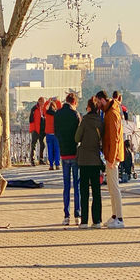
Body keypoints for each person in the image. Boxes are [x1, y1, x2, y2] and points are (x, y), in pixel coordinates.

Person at [97, 90, 125, 228]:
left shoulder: (112, 113)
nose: (97, 105)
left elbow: (115, 138)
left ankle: (119, 218)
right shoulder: (109, 112)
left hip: (113, 156)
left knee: (114, 187)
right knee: (111, 187)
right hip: (110, 155)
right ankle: (115, 216)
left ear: (102, 100)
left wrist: (112, 158)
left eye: (98, 102)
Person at [75, 98, 104, 228]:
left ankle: (84, 221)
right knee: (96, 192)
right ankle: (97, 220)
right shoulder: (100, 121)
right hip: (95, 159)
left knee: (84, 191)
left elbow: (77, 138)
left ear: (88, 108)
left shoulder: (85, 121)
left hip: (84, 160)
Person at [54, 92, 81, 226]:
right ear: (74, 102)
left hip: (64, 153)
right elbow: (79, 133)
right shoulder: (75, 115)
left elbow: (56, 131)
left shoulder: (58, 114)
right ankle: (77, 214)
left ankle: (66, 215)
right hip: (74, 153)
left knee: (66, 186)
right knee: (76, 185)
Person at [43, 97, 61, 171]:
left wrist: (48, 101)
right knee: (57, 149)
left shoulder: (46, 114)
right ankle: (57, 164)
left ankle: (51, 165)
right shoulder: (57, 114)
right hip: (56, 133)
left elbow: (44, 107)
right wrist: (57, 101)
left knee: (50, 149)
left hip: (48, 133)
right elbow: (60, 107)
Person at [29, 97, 46, 166]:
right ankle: (32, 160)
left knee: (43, 144)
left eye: (43, 102)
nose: (43, 103)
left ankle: (41, 159)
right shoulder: (34, 109)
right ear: (39, 101)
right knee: (33, 144)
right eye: (42, 102)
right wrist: (33, 129)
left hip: (42, 130)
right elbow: (31, 119)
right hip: (35, 129)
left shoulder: (45, 109)